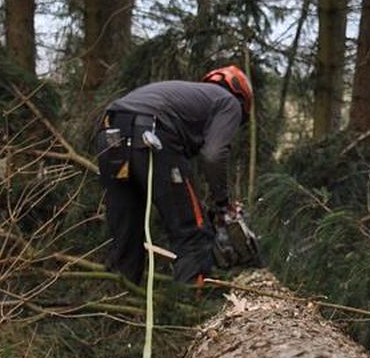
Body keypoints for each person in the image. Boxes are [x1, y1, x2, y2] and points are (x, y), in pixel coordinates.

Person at [94, 65, 260, 285]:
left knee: (125, 237)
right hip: (151, 135)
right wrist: (222, 204)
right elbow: (213, 155)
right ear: (242, 97)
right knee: (193, 235)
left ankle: (120, 308)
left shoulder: (189, 97)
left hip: (110, 134)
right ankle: (191, 310)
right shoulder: (228, 102)